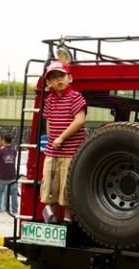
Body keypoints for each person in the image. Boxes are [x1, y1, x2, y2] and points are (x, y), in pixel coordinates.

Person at [40, 60, 87, 224]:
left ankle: (67, 218)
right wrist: (51, 138)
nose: (58, 80)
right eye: (54, 77)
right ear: (48, 82)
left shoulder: (76, 97)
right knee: (50, 185)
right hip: (52, 152)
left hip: (71, 152)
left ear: (70, 78)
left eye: (62, 76)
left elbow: (80, 120)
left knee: (67, 187)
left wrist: (61, 137)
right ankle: (50, 217)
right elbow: (49, 122)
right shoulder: (50, 100)